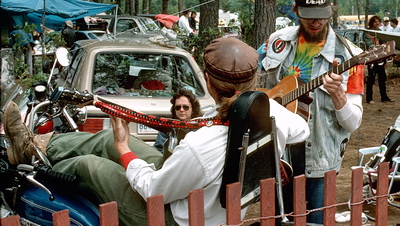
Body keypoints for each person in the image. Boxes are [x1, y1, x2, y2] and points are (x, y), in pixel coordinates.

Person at [4, 37, 310, 225]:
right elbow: (302, 130)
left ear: (207, 79)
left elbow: (152, 190)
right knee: (103, 141)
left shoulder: (201, 145)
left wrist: (124, 149)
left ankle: (36, 168)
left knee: (91, 164)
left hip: (172, 218)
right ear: (253, 82)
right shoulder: (274, 114)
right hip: (198, 198)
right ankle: (34, 145)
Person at [257, 0, 364, 224]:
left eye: (321, 16)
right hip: (279, 155)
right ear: (295, 10)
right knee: (276, 221)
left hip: (321, 161)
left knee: (316, 222)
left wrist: (338, 95)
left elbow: (353, 123)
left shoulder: (351, 56)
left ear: (331, 11)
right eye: (308, 16)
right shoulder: (276, 43)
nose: (315, 23)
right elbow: (259, 89)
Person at [153, 88, 202, 153]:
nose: (181, 110)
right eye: (178, 107)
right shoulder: (167, 127)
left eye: (185, 107)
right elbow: (158, 150)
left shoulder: (200, 128)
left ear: (193, 109)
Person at [365, 15, 393, 104]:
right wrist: (378, 48)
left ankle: (384, 97)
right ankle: (369, 98)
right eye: (375, 21)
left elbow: (384, 43)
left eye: (378, 21)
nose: (377, 23)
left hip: (380, 58)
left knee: (382, 78)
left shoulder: (380, 32)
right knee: (371, 79)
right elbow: (369, 44)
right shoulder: (367, 32)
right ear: (372, 22)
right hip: (371, 58)